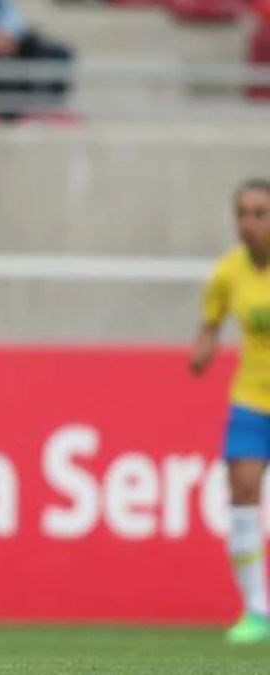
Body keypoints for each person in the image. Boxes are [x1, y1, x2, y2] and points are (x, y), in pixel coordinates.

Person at [191, 178, 270, 645]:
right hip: (251, 401)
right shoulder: (227, 273)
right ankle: (257, 611)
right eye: (243, 213)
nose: (250, 223)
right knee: (242, 495)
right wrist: (202, 349)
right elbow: (211, 322)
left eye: (260, 213)